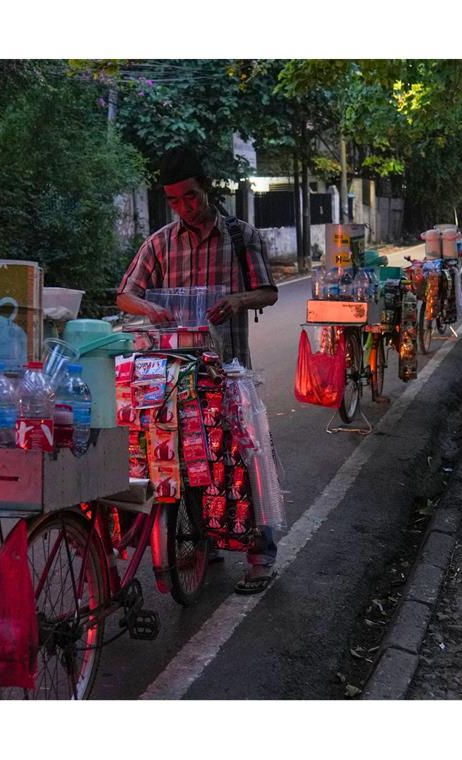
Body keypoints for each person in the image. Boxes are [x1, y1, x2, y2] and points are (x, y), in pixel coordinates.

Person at [117, 146, 280, 594]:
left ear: (205, 187)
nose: (184, 207)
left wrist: (237, 300)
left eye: (190, 196)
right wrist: (150, 307)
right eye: (174, 201)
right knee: (189, 463)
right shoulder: (161, 242)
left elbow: (267, 292)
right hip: (174, 378)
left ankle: (260, 556)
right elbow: (125, 295)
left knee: (244, 462)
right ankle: (202, 541)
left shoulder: (240, 236)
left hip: (228, 373)